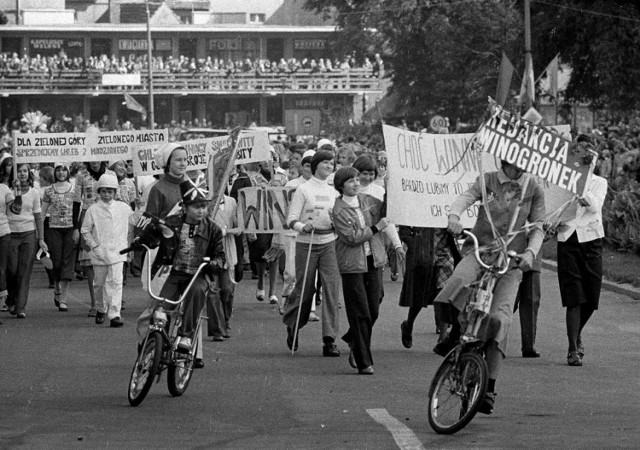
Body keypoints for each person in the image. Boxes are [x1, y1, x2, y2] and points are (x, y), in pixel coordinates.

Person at [432, 160, 545, 415]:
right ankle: (454, 333)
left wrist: (531, 252)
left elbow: (538, 227)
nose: (522, 164)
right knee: (455, 285)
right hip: (480, 252)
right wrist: (453, 216)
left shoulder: (533, 188)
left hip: (511, 263)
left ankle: (489, 386)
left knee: (498, 319)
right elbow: (466, 197)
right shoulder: (487, 180)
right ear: (507, 158)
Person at [135, 178, 225, 355]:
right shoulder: (172, 222)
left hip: (198, 275)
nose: (201, 211)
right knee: (161, 309)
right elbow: (154, 237)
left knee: (196, 293)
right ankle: (156, 345)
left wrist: (213, 263)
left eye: (203, 207)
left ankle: (185, 336)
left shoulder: (213, 229)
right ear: (185, 207)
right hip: (176, 274)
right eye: (196, 206)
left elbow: (220, 257)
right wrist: (143, 240)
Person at [282, 150, 341, 356]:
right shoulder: (303, 190)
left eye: (332, 163)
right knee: (305, 290)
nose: (329, 166)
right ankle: (293, 325)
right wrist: (301, 226)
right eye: (325, 162)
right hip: (306, 244)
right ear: (316, 165)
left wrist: (337, 224)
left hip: (329, 243)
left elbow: (340, 218)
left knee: (331, 291)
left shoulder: (335, 192)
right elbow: (290, 218)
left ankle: (329, 339)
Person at [556, 136, 607, 367]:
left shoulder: (598, 182)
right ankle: (572, 349)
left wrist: (582, 183)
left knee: (591, 296)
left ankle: (576, 334)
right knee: (574, 296)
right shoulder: (562, 181)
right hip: (568, 240)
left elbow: (594, 205)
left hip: (591, 240)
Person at [332, 167, 388, 374]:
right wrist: (375, 228)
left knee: (373, 307)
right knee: (360, 311)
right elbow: (351, 238)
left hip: (374, 260)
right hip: (352, 265)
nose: (356, 183)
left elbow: (387, 210)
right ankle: (363, 360)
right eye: (350, 181)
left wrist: (391, 183)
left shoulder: (367, 200)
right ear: (341, 186)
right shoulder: (338, 210)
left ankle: (354, 338)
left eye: (357, 180)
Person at [81, 173, 133, 327]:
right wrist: (94, 247)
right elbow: (85, 230)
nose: (107, 195)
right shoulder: (93, 209)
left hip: (118, 251)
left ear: (115, 193)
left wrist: (141, 206)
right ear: (99, 192)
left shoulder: (123, 208)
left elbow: (134, 221)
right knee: (99, 284)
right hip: (100, 252)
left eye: (110, 191)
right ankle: (100, 308)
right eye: (104, 191)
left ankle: (114, 314)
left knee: (116, 283)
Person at [399, 227, 460, 348]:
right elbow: (405, 226)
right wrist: (414, 242)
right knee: (420, 293)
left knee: (444, 291)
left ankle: (442, 336)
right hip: (424, 248)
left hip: (445, 248)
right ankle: (408, 324)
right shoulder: (416, 207)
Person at [6, 162, 46, 318]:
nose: (22, 174)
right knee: (12, 269)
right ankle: (11, 298)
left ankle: (20, 306)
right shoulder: (8, 191)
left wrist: (41, 239)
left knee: (24, 271)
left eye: (25, 171)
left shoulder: (34, 192)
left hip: (28, 234)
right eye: (19, 171)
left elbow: (38, 216)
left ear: (29, 173)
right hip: (10, 233)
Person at [42, 162, 77, 312]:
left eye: (64, 170)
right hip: (53, 229)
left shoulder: (74, 189)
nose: (61, 173)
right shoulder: (48, 190)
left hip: (70, 229)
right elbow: (43, 213)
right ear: (55, 172)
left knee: (67, 262)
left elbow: (78, 211)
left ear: (68, 172)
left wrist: (77, 229)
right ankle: (57, 288)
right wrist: (40, 234)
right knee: (56, 261)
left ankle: (63, 299)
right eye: (59, 170)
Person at [207, 193, 240, 341]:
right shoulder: (206, 201)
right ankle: (217, 330)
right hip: (210, 251)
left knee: (227, 289)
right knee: (213, 292)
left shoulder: (232, 202)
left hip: (227, 250)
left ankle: (226, 321)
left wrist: (226, 231)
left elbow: (239, 227)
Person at [0, 153, 23, 320]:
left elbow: (16, 209)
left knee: (5, 269)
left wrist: (19, 191)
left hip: (4, 232)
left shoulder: (4, 188)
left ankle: (5, 302)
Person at [514, 252, 542, 358]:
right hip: (512, 249)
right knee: (509, 300)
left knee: (531, 299)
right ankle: (490, 340)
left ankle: (529, 344)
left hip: (534, 255)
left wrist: (548, 234)